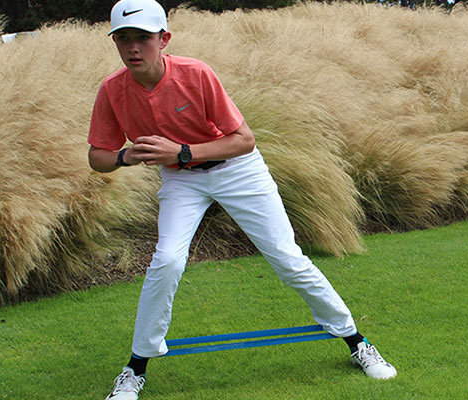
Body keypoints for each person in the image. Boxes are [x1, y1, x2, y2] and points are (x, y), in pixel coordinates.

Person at [87, 1, 396, 399]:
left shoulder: (195, 74)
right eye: (123, 38)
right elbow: (97, 157)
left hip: (237, 169)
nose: (133, 47)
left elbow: (243, 140)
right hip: (181, 180)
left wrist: (182, 151)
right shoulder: (112, 90)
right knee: (166, 262)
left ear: (163, 39)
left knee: (287, 258)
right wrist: (127, 156)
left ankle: (357, 342)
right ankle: (136, 367)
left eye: (143, 38)